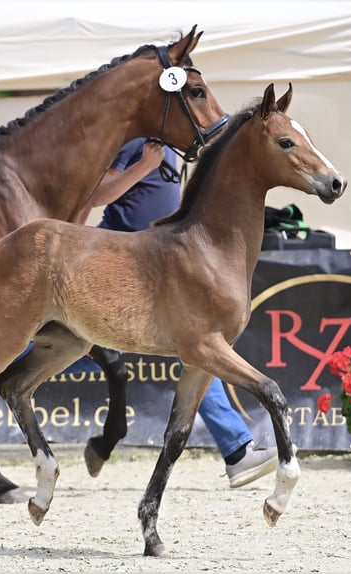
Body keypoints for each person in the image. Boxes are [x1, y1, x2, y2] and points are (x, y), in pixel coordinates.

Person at [82, 137, 278, 488]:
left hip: (159, 259)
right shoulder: (135, 143)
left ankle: (236, 452)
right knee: (71, 342)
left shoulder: (170, 144)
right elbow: (99, 196)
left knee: (202, 349)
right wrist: (144, 165)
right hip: (121, 257)